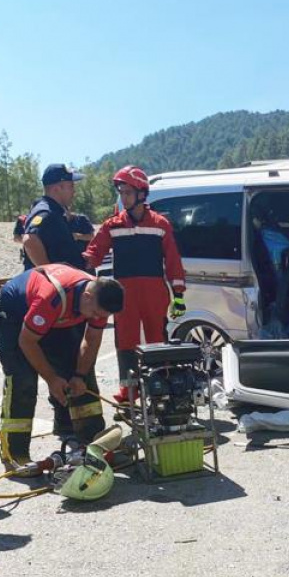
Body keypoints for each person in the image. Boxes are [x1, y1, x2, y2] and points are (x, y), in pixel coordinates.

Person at [0, 263, 123, 467]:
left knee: (81, 374)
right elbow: (27, 341)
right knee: (22, 380)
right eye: (96, 313)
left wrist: (79, 375)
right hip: (14, 315)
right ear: (87, 298)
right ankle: (14, 453)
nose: (98, 319)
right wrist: (51, 378)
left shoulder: (95, 301)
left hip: (58, 316)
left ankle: (88, 438)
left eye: (103, 316)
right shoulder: (51, 298)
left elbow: (92, 340)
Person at [83, 166, 185, 401]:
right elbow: (94, 253)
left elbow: (173, 261)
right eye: (121, 192)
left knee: (157, 341)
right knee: (125, 342)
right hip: (124, 294)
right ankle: (128, 390)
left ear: (141, 193)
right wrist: (79, 261)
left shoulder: (160, 224)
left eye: (128, 192)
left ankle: (160, 388)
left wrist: (178, 295)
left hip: (154, 293)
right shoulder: (113, 225)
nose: (124, 197)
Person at [21, 164, 87, 271]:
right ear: (57, 188)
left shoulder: (55, 211)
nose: (74, 191)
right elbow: (29, 240)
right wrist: (50, 272)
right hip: (54, 284)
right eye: (71, 186)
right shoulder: (46, 211)